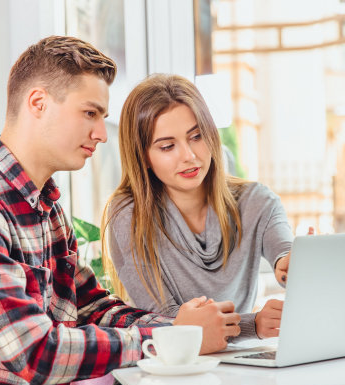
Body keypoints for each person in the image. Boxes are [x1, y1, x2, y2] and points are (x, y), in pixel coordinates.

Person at [0, 36, 240, 385]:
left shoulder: (48, 210)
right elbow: (33, 351)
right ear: (38, 103)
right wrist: (178, 338)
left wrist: (183, 327)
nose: (102, 134)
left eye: (102, 118)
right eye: (90, 113)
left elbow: (94, 308)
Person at [102, 73, 294, 342]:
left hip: (237, 370)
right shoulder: (129, 216)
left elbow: (283, 250)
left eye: (196, 136)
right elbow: (166, 324)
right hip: (166, 370)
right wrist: (254, 325)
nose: (189, 156)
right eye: (168, 146)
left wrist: (292, 263)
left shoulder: (257, 202)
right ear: (143, 157)